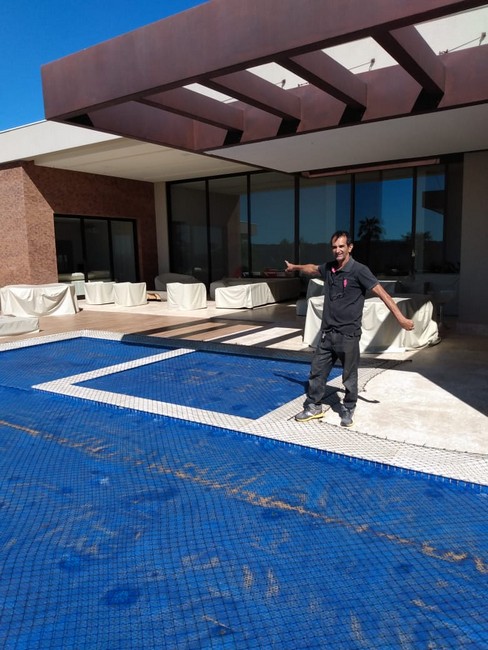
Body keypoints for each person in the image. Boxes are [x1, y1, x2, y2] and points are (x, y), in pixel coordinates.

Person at [285, 231, 414, 427]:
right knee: (317, 372)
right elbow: (312, 268)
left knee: (349, 376)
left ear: (350, 247)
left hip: (348, 335)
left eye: (341, 246)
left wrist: (401, 318)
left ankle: (348, 407)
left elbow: (383, 294)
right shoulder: (329, 268)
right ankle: (313, 407)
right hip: (327, 334)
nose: (337, 250)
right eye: (334, 247)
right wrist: (295, 267)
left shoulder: (360, 270)